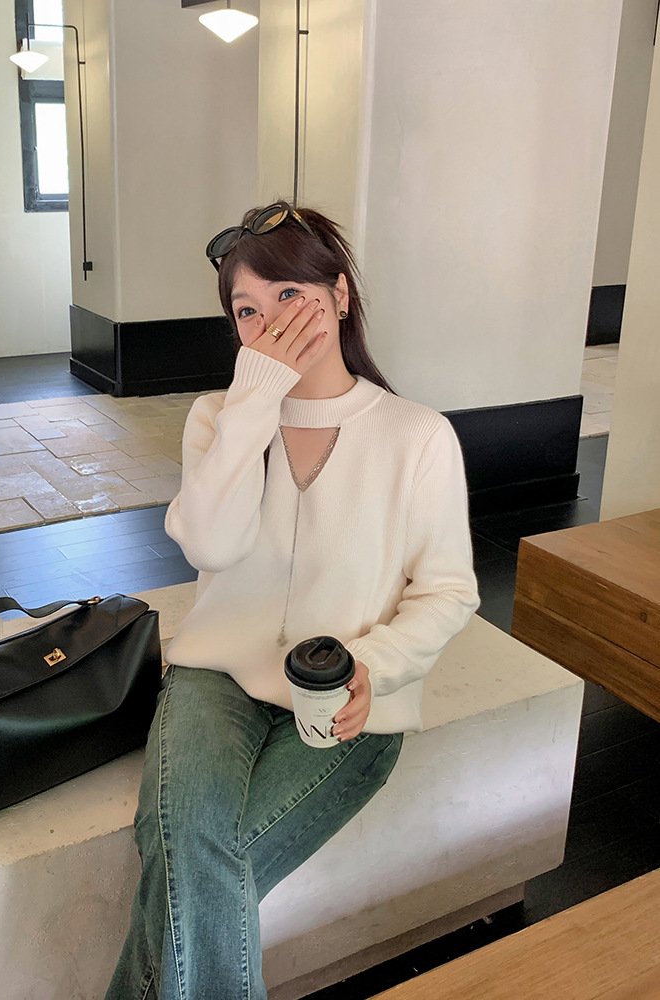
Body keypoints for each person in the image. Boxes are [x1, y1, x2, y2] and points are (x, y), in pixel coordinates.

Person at [103, 201, 480, 1000]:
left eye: (288, 295)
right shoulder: (217, 419)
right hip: (215, 678)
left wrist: (373, 666)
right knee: (197, 844)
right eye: (247, 310)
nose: (269, 322)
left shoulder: (417, 435)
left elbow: (448, 590)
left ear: (339, 295)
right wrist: (253, 404)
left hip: (344, 698)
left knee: (186, 852)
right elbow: (210, 546)